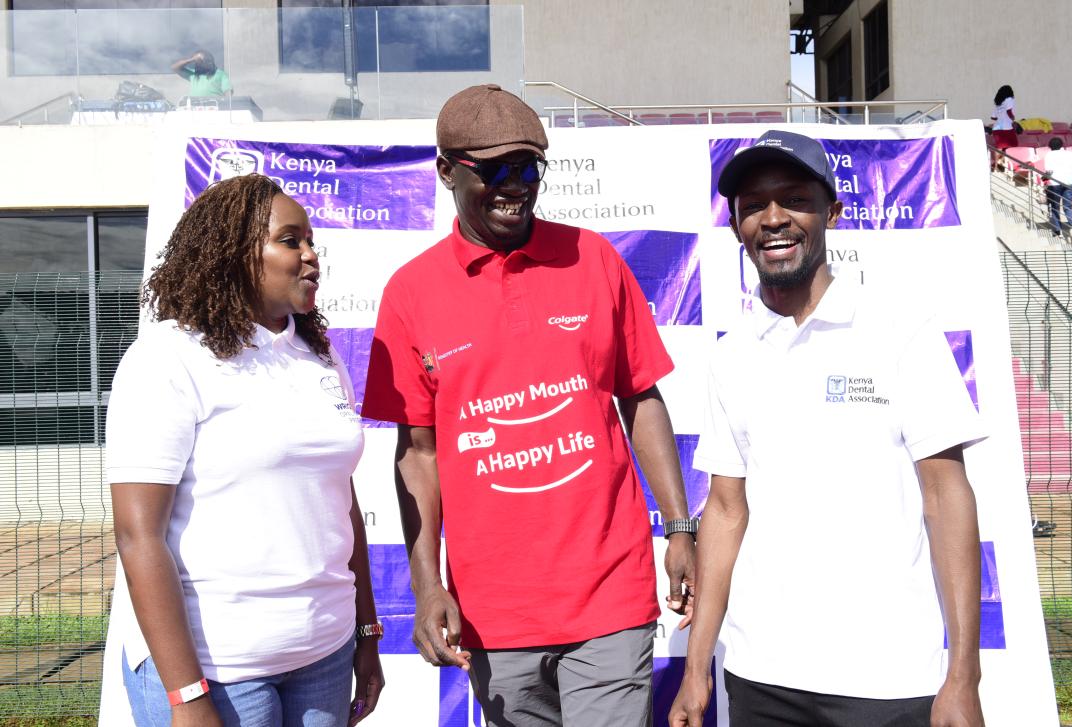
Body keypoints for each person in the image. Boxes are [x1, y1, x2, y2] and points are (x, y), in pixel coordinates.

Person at [362, 84, 696, 727]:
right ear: (445, 172)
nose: (514, 185)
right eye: (492, 170)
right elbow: (418, 454)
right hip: (494, 611)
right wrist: (428, 582)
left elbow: (642, 397)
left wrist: (678, 526)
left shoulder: (594, 259)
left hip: (610, 597)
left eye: (527, 168)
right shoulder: (410, 293)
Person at [669, 129, 986, 727]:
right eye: (753, 206)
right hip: (761, 677)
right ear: (737, 227)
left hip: (888, 680)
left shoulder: (900, 330)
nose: (773, 218)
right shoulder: (731, 355)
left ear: (833, 213)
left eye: (793, 198)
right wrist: (695, 670)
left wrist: (963, 677)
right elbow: (726, 511)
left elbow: (946, 498)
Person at [107, 174, 383, 727]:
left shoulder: (319, 359)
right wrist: (188, 696)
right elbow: (139, 536)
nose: (311, 257)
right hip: (219, 670)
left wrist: (366, 635)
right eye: (290, 241)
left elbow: (339, 503)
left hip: (322, 660)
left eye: (311, 242)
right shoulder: (168, 358)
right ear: (234, 254)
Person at [1042, 136, 1072, 235]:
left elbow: (1048, 171)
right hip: (1070, 182)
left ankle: (1058, 230)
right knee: (1068, 207)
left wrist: (1043, 178)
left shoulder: (1049, 155)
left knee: (1055, 207)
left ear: (1050, 146)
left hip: (1055, 183)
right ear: (1062, 145)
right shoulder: (1069, 154)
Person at [989, 85, 1017, 170]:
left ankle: (998, 167)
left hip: (997, 128)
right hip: (1006, 128)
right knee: (1013, 145)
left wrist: (1001, 116)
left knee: (1000, 147)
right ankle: (1006, 166)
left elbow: (993, 117)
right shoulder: (1009, 99)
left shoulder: (998, 103)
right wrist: (1012, 118)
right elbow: (1009, 111)